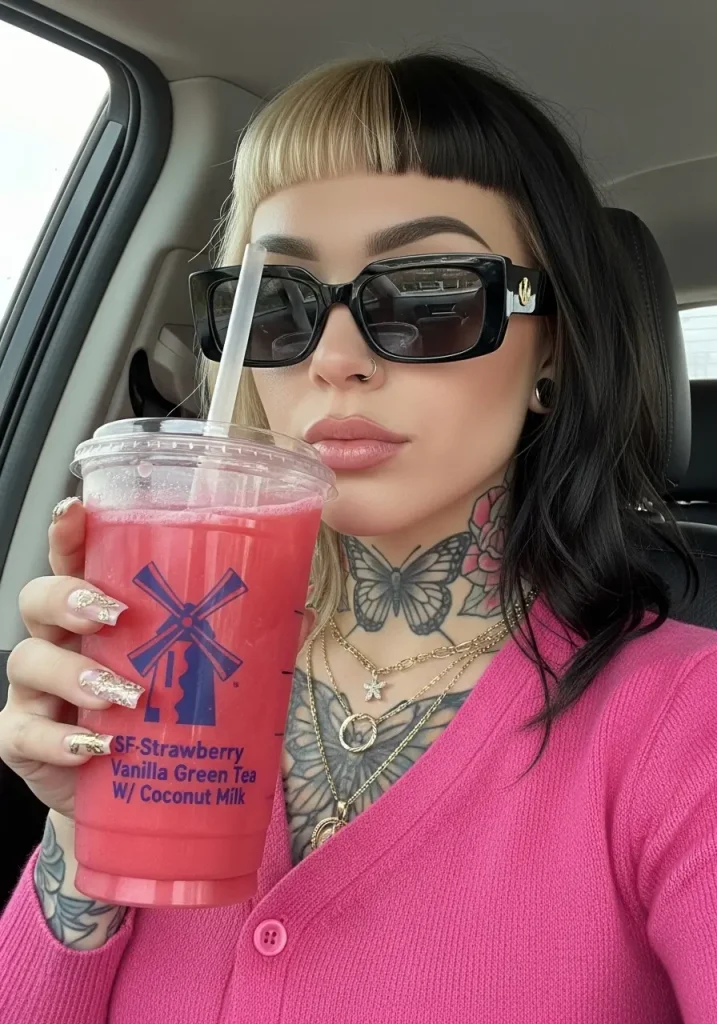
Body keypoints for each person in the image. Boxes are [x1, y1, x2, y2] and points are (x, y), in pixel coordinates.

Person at [0, 50, 716, 1024]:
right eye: (283, 307)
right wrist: (81, 852)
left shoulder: (685, 722)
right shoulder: (161, 689)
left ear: (552, 348)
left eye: (425, 296)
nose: (335, 361)